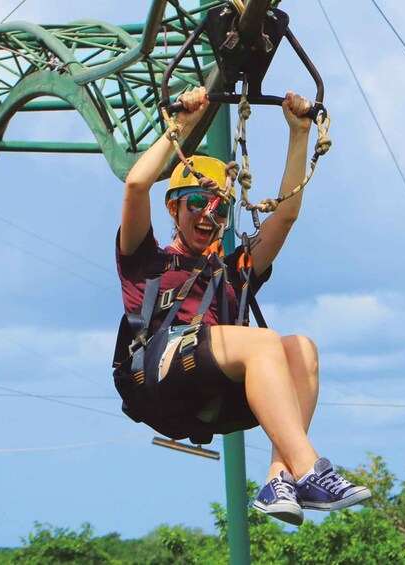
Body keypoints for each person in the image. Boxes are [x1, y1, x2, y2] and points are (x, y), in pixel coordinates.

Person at [115, 86, 370, 526]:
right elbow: (137, 183)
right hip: (158, 373)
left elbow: (285, 216)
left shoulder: (235, 268)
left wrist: (299, 133)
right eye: (197, 202)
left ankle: (280, 478)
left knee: (302, 349)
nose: (207, 216)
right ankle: (310, 467)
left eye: (218, 207)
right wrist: (182, 125)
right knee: (263, 342)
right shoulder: (147, 259)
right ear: (174, 208)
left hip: (217, 391)